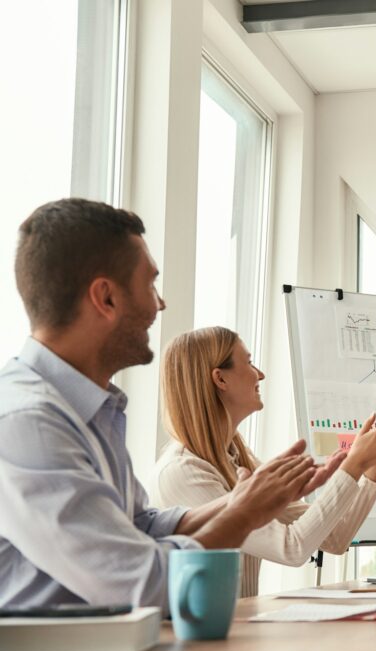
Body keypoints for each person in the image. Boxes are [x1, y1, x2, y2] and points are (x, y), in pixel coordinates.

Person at [0, 198, 341, 611]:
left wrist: (248, 496)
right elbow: (139, 583)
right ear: (105, 298)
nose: (158, 305)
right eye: (149, 285)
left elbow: (142, 526)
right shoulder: (28, 422)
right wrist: (246, 511)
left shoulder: (89, 410)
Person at [153, 327, 376, 597]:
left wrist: (374, 465)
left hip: (236, 628)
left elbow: (335, 538)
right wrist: (354, 464)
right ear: (220, 379)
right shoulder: (183, 472)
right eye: (249, 362)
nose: (260, 374)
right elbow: (292, 548)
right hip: (201, 640)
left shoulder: (238, 460)